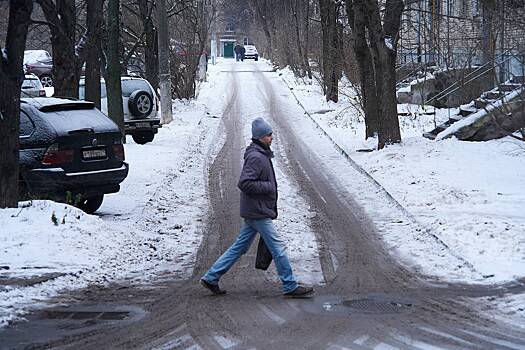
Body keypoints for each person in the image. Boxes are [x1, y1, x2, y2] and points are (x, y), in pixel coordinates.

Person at [200, 117, 314, 298]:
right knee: (278, 247)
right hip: (258, 211)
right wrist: (268, 186)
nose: (272, 138)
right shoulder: (256, 156)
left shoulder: (261, 154)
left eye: (271, 134)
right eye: (269, 135)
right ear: (260, 137)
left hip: (255, 210)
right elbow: (244, 183)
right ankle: (290, 285)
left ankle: (211, 277)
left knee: (239, 247)